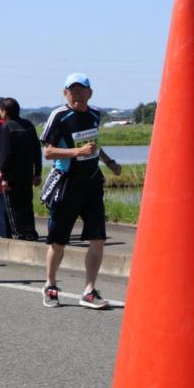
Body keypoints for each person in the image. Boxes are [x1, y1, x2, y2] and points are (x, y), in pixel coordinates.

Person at [39, 73, 121, 309]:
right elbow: (48, 152)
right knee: (58, 240)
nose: (77, 94)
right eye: (72, 90)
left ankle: (88, 290)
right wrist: (76, 153)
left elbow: (95, 144)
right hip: (67, 182)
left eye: (81, 90)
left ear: (90, 92)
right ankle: (51, 285)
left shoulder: (95, 114)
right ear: (65, 93)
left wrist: (109, 161)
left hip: (92, 182)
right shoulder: (59, 116)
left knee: (98, 238)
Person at [0, 97, 42, 240]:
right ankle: (30, 233)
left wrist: (4, 177)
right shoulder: (28, 125)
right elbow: (37, 150)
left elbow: (6, 154)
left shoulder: (6, 127)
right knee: (27, 204)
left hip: (12, 176)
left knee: (13, 207)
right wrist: (38, 172)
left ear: (4, 111)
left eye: (0, 111)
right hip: (27, 173)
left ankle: (19, 234)